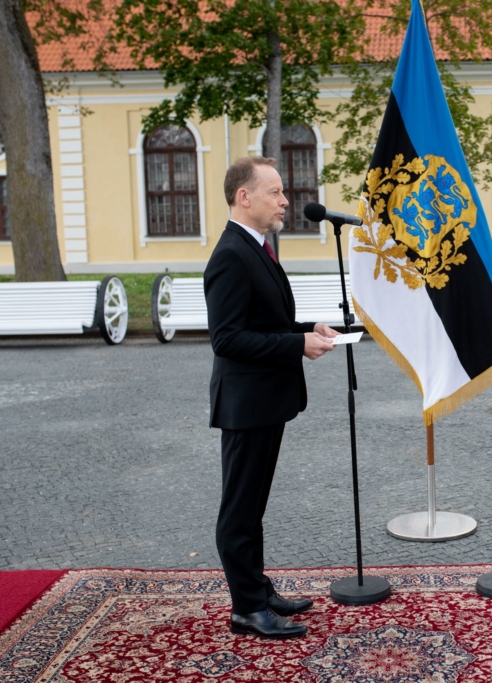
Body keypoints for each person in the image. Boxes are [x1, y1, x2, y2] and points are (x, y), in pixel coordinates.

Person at [205, 156, 339, 639]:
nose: (285, 201)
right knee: (239, 510)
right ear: (245, 196)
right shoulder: (230, 255)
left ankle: (258, 590)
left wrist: (308, 329)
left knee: (253, 506)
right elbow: (227, 339)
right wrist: (295, 345)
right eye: (275, 192)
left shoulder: (256, 247)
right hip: (245, 404)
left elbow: (263, 323)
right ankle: (246, 608)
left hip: (265, 400)